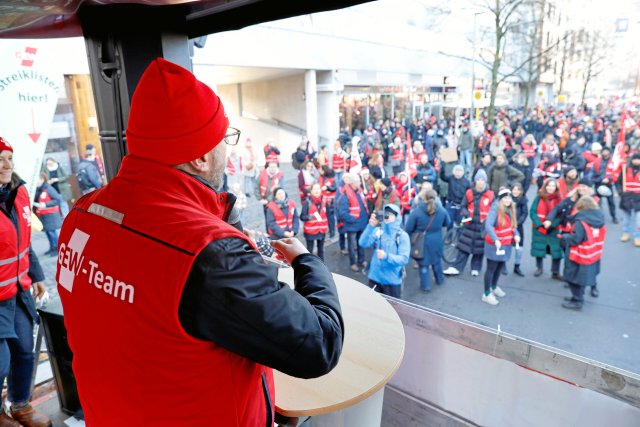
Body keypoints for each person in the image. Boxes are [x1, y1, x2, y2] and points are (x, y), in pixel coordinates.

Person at [55, 58, 343, 426]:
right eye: (225, 136)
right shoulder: (209, 258)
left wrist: (221, 230)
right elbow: (320, 345)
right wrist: (307, 262)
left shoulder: (81, 215)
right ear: (201, 158)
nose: (229, 147)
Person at [0, 136, 51, 427]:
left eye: (10, 159)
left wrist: (37, 275)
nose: (6, 165)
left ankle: (20, 405)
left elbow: (24, 240)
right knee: (0, 361)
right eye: (0, 159)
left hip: (19, 291)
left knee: (25, 352)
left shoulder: (19, 193)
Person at [443, 169, 494, 277]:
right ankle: (457, 267)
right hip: (469, 224)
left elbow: (494, 211)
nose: (480, 182)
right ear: (475, 181)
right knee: (463, 247)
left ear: (485, 182)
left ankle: (476, 268)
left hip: (482, 226)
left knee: (479, 249)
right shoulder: (469, 192)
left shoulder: (490, 195)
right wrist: (466, 214)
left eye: (482, 180)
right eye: (478, 179)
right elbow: (463, 206)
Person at [558, 196, 606, 310]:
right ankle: (577, 297)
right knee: (582, 278)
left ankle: (577, 300)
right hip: (592, 253)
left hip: (578, 254)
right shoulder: (599, 219)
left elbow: (576, 239)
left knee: (573, 277)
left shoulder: (581, 221)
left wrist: (564, 237)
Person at [358, 204, 410, 298]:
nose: (387, 216)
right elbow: (362, 243)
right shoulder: (378, 231)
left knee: (392, 309)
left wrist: (386, 256)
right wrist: (370, 226)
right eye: (386, 214)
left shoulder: (402, 236)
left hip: (392, 280)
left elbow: (404, 259)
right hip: (374, 278)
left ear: (397, 217)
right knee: (372, 306)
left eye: (390, 214)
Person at [404, 189, 451, 292]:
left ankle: (426, 286)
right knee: (436, 261)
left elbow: (408, 228)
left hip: (422, 242)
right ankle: (439, 280)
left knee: (423, 264)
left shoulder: (417, 212)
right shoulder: (442, 210)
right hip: (437, 240)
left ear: (424, 198)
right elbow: (448, 223)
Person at [482, 188, 520, 305]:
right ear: (500, 199)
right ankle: (486, 293)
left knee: (499, 267)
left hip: (506, 245)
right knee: (491, 268)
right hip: (495, 245)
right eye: (505, 198)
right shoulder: (495, 209)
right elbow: (488, 225)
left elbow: (513, 226)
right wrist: (496, 239)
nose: (508, 200)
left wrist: (516, 234)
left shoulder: (510, 209)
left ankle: (494, 286)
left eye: (509, 198)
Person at [530, 178, 563, 279]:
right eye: (549, 185)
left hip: (554, 229)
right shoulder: (538, 197)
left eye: (553, 186)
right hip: (539, 228)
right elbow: (532, 212)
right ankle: (539, 268)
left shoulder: (559, 199)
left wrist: (553, 224)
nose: (551, 188)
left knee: (556, 251)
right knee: (539, 248)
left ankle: (555, 272)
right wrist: (539, 224)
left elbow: (561, 215)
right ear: (545, 186)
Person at [337, 172, 369, 271]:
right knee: (351, 245)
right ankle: (353, 263)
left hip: (361, 223)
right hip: (353, 225)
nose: (360, 182)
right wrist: (353, 219)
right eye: (358, 181)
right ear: (353, 183)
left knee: (361, 243)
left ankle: (361, 260)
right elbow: (342, 212)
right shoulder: (345, 195)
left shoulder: (359, 191)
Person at [33, 173, 64, 256]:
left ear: (42, 180)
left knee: (52, 233)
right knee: (47, 232)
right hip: (43, 215)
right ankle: (52, 248)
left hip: (50, 215)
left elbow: (57, 199)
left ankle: (57, 249)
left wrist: (46, 204)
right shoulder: (38, 189)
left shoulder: (48, 188)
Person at [300, 183, 331, 260]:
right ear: (311, 191)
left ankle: (322, 267)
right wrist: (310, 217)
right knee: (309, 251)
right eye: (315, 189)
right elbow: (302, 217)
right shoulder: (307, 202)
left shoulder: (324, 201)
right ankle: (310, 267)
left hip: (321, 230)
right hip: (310, 231)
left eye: (318, 189)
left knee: (321, 250)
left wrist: (329, 227)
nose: (317, 191)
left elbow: (328, 214)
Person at [619, 153, 640, 246]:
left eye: (638, 159)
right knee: (626, 217)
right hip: (626, 197)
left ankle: (637, 237)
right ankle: (625, 233)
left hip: (638, 198)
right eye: (634, 159)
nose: (636, 161)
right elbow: (618, 182)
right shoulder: (625, 169)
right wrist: (620, 192)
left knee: (638, 219)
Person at [511, 182, 528, 277]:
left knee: (519, 248)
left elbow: (525, 213)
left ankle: (517, 266)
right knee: (507, 246)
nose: (516, 191)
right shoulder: (507, 199)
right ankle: (503, 264)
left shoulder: (523, 200)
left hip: (518, 226)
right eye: (514, 189)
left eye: (518, 190)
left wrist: (518, 223)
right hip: (508, 226)